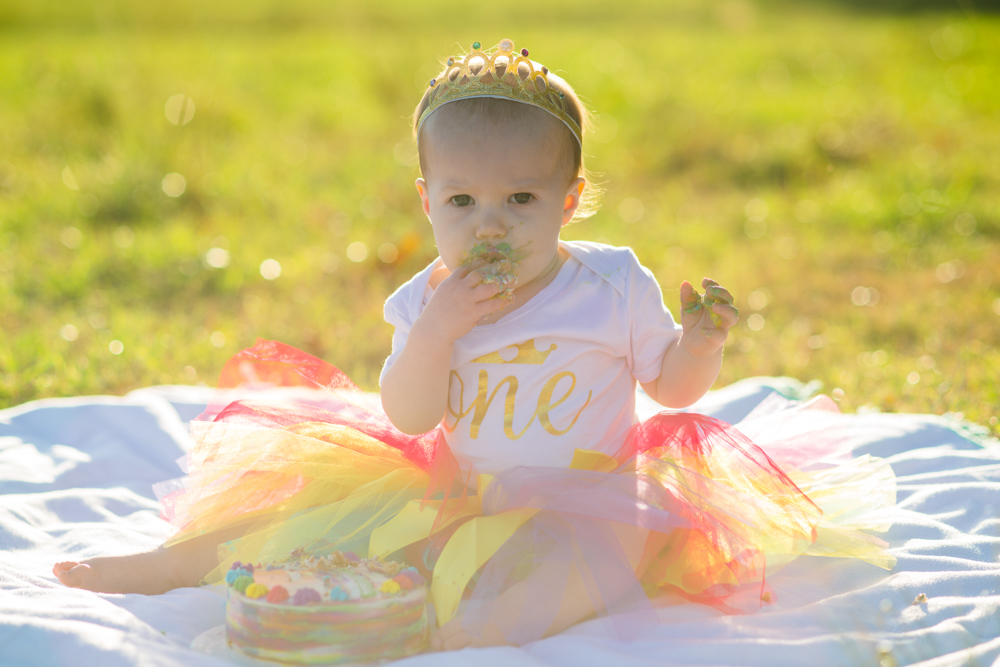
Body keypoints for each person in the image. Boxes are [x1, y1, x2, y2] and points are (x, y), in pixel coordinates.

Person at [54, 39, 894, 651]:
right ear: (427, 201)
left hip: (586, 497)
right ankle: (161, 568)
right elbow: (410, 413)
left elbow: (671, 390)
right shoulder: (428, 296)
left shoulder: (608, 284)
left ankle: (436, 633)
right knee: (304, 523)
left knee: (559, 582)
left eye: (520, 198)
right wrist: (441, 328)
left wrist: (703, 340)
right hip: (455, 485)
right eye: (462, 201)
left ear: (569, 202)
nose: (489, 223)